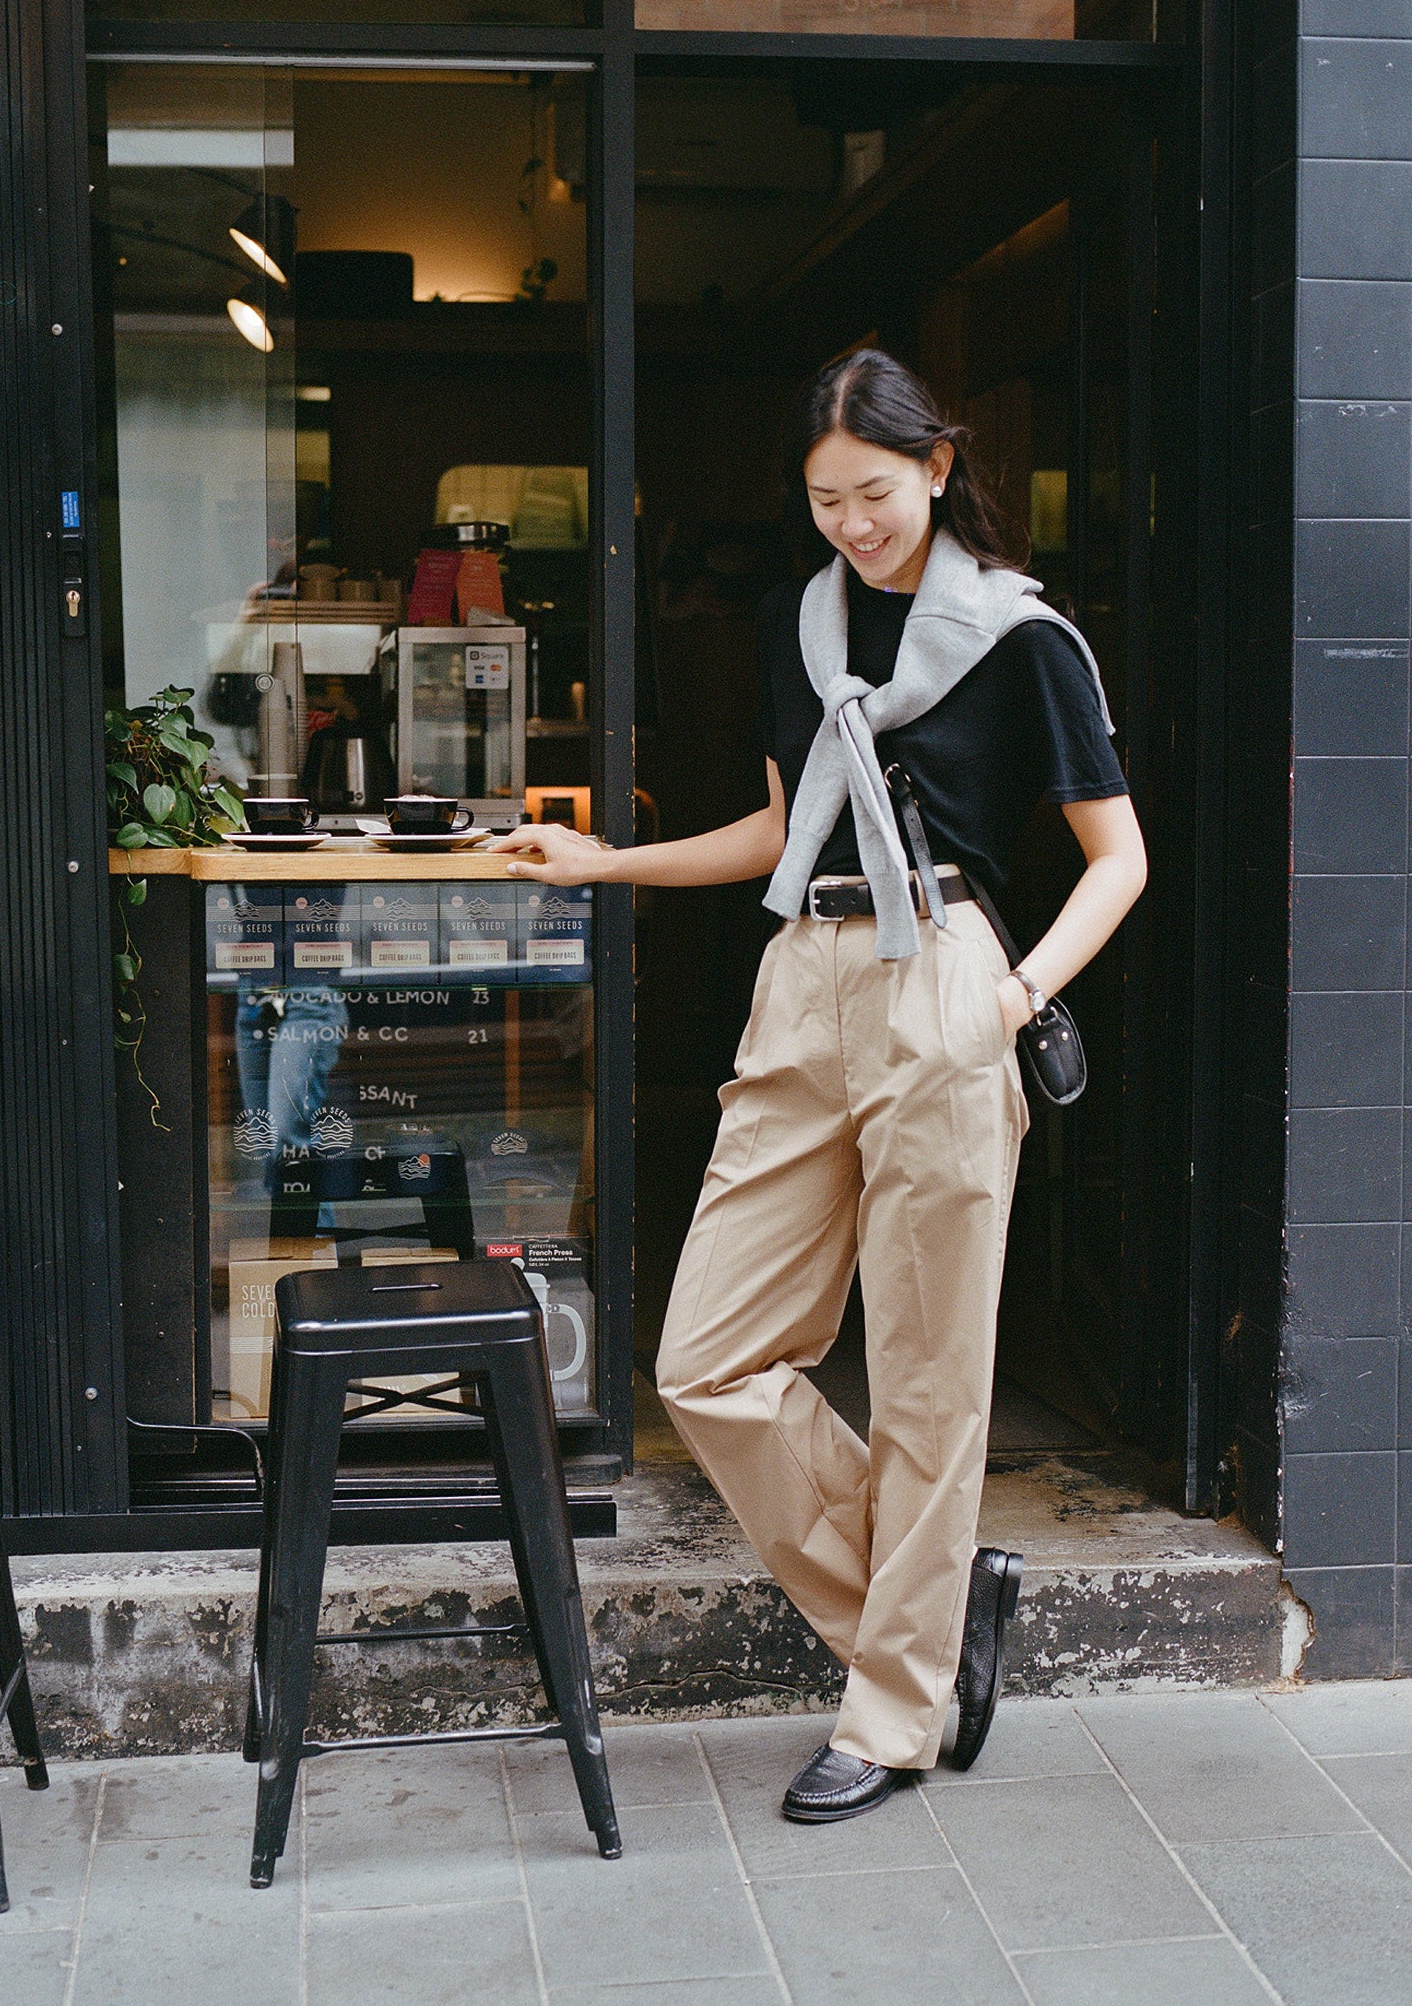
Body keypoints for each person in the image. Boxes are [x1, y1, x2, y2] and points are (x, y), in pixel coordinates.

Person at [488, 350, 1147, 1821]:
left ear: (935, 464)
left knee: (927, 1376)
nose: (849, 524)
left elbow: (1122, 859)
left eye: (870, 493)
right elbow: (782, 828)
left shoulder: (1019, 638)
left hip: (952, 981)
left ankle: (893, 1711)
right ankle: (923, 1615)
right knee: (708, 1360)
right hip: (806, 974)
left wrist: (1018, 992)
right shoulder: (809, 625)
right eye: (823, 500)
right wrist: (604, 864)